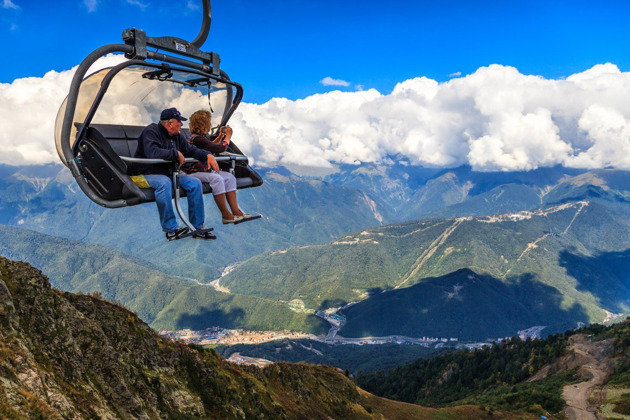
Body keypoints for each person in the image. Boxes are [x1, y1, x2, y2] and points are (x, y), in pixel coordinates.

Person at [132, 107, 218, 240]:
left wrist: (207, 155)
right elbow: (152, 153)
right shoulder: (151, 131)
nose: (182, 124)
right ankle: (170, 229)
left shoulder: (177, 136)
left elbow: (191, 150)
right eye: (179, 121)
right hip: (144, 173)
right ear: (170, 123)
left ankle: (198, 227)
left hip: (168, 172)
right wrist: (175, 153)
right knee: (163, 183)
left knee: (195, 183)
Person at [182, 109, 251, 224]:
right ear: (205, 123)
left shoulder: (198, 137)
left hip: (203, 169)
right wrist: (228, 136)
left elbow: (210, 146)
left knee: (229, 178)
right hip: (192, 171)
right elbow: (219, 149)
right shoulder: (197, 138)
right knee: (217, 179)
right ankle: (225, 214)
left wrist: (219, 137)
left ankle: (235, 211)